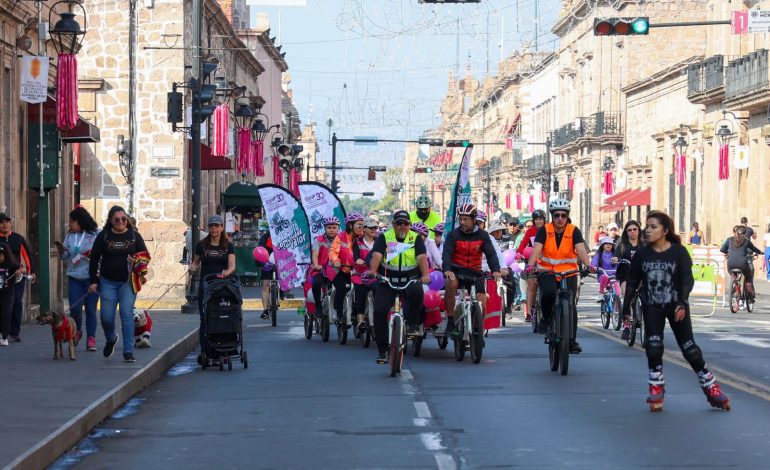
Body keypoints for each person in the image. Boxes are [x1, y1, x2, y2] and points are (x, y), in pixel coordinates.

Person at [622, 210, 730, 411]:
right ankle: (656, 387)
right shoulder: (642, 254)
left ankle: (711, 388)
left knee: (690, 349)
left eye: (653, 227)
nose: (648, 230)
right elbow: (632, 280)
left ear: (664, 230)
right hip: (652, 305)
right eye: (647, 226)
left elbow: (687, 280)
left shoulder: (679, 252)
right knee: (653, 346)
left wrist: (682, 302)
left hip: (676, 305)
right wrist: (626, 306)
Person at [525, 199, 593, 354]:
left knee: (571, 305)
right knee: (548, 293)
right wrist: (530, 266)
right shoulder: (544, 230)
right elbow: (537, 249)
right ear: (552, 216)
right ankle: (546, 318)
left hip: (568, 272)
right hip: (547, 271)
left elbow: (581, 250)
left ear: (567, 216)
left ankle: (571, 341)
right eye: (556, 215)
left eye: (563, 215)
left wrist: (588, 265)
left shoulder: (574, 230)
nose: (560, 218)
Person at [368, 210, 431, 363]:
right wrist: (372, 271)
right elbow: (376, 255)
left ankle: (411, 324)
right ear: (393, 224)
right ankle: (382, 351)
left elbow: (422, 258)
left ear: (410, 225)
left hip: (410, 280)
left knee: (418, 294)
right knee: (380, 312)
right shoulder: (385, 237)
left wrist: (425, 276)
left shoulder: (415, 238)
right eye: (399, 223)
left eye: (406, 224)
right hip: (387, 280)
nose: (402, 227)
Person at [88, 206, 149, 363]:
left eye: (124, 219)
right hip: (107, 282)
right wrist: (93, 281)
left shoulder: (135, 236)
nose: (121, 222)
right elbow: (94, 258)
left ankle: (128, 351)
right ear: (111, 220)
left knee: (126, 315)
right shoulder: (104, 236)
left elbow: (145, 256)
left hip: (128, 282)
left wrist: (138, 267)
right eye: (117, 219)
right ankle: (111, 337)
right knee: (106, 317)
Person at [442, 204, 502, 334]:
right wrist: (447, 269)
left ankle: (477, 331)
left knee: (482, 303)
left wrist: (496, 269)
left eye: (466, 219)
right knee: (450, 284)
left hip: (475, 274)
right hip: (457, 272)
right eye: (460, 219)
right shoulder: (453, 235)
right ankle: (451, 320)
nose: (462, 222)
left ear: (474, 220)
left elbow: (491, 254)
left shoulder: (483, 235)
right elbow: (446, 254)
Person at [190, 215, 236, 363]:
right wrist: (192, 268)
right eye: (211, 226)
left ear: (222, 227)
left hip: (223, 287)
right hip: (206, 286)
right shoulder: (201, 245)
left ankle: (224, 349)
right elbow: (196, 263)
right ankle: (206, 352)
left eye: (216, 226)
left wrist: (227, 272)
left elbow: (232, 265)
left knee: (223, 316)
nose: (214, 229)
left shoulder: (228, 246)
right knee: (205, 319)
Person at [56, 207, 101, 351]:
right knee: (75, 308)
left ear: (79, 222)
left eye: (71, 222)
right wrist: (62, 251)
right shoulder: (70, 236)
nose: (69, 225)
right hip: (74, 276)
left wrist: (92, 255)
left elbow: (102, 253)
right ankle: (78, 331)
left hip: (91, 277)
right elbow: (65, 256)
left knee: (90, 309)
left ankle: (91, 338)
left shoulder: (96, 234)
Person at [0, 212, 34, 343]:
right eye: (2, 222)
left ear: (10, 224)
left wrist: (31, 271)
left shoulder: (18, 238)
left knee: (17, 302)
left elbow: (27, 255)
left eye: (7, 222)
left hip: (17, 275)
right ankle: (4, 332)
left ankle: (15, 332)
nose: (5, 224)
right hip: (2, 276)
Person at [328, 213, 364, 322]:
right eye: (359, 225)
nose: (361, 228)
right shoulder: (340, 237)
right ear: (350, 226)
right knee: (341, 288)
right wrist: (336, 261)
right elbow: (333, 251)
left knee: (361, 290)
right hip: (340, 270)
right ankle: (338, 312)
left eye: (363, 225)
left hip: (357, 271)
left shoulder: (363, 237)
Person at [614, 220, 645, 339]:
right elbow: (616, 254)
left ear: (638, 230)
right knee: (627, 296)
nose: (632, 232)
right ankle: (626, 326)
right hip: (625, 274)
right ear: (626, 232)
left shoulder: (644, 245)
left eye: (634, 229)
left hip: (641, 275)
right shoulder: (622, 244)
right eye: (629, 230)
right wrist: (615, 259)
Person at [517, 210, 546, 322]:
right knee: (532, 284)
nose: (538, 222)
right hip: (532, 261)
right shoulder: (530, 231)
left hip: (546, 261)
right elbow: (523, 243)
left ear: (544, 220)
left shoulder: (549, 229)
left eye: (540, 219)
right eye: (536, 220)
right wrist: (519, 252)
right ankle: (529, 311)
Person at [720, 225, 763, 300]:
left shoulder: (729, 239)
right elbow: (754, 249)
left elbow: (722, 249)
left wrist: (728, 253)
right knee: (749, 276)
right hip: (742, 264)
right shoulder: (746, 241)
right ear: (745, 233)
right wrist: (760, 252)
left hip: (730, 264)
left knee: (733, 274)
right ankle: (751, 295)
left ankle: (735, 286)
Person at [351, 218, 378, 332]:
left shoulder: (379, 241)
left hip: (375, 274)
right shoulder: (357, 242)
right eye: (371, 228)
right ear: (364, 229)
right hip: (360, 274)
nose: (373, 230)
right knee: (360, 293)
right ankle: (361, 320)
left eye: (375, 228)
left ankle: (379, 318)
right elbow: (355, 256)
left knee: (380, 292)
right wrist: (358, 260)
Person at [310, 217, 340, 318]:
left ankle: (339, 308)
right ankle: (318, 306)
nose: (331, 229)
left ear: (338, 229)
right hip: (321, 269)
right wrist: (316, 265)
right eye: (329, 227)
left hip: (337, 271)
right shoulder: (318, 240)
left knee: (343, 287)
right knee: (316, 283)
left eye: (334, 227)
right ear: (325, 228)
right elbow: (315, 253)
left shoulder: (342, 240)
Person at [0, 244, 21, 346]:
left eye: (0, 256)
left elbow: (21, 270)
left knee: (6, 315)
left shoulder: (11, 264)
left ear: (5, 255)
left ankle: (4, 336)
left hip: (8, 294)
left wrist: (19, 271)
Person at [256, 230, 275, 320]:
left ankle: (281, 293)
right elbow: (259, 248)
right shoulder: (265, 236)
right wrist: (261, 262)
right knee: (265, 285)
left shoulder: (283, 235)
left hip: (280, 262)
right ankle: (265, 310)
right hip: (266, 262)